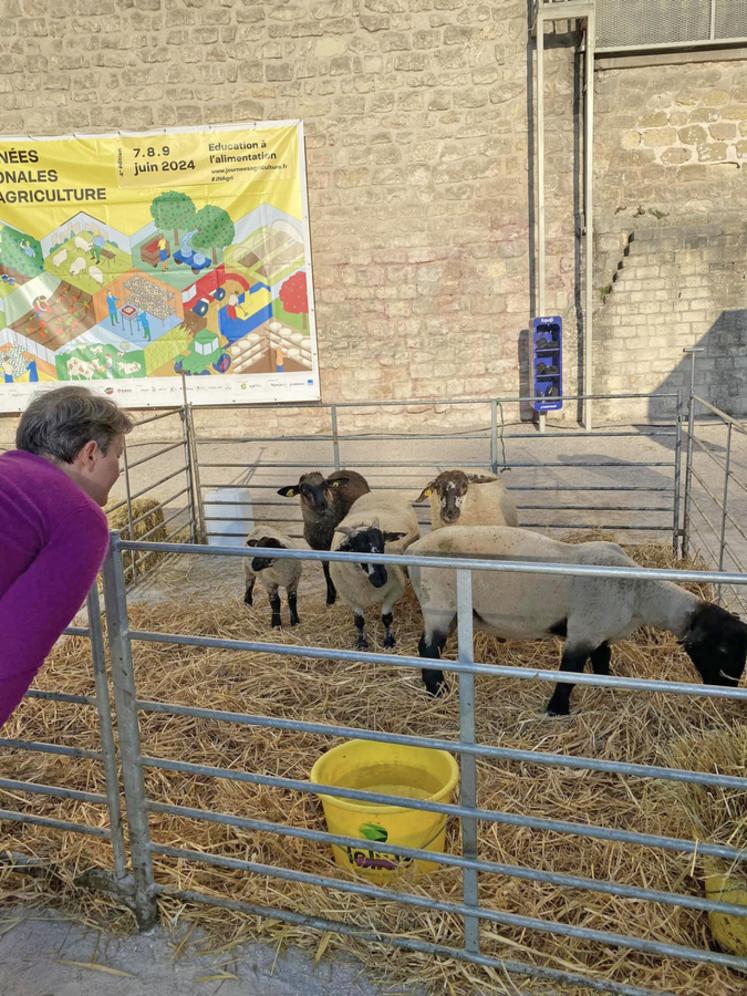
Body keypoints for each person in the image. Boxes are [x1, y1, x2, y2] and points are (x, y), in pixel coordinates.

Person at [0, 386, 133, 729]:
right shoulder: (76, 515)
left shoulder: (11, 483)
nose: (118, 469)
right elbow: (13, 648)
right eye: (117, 454)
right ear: (90, 454)